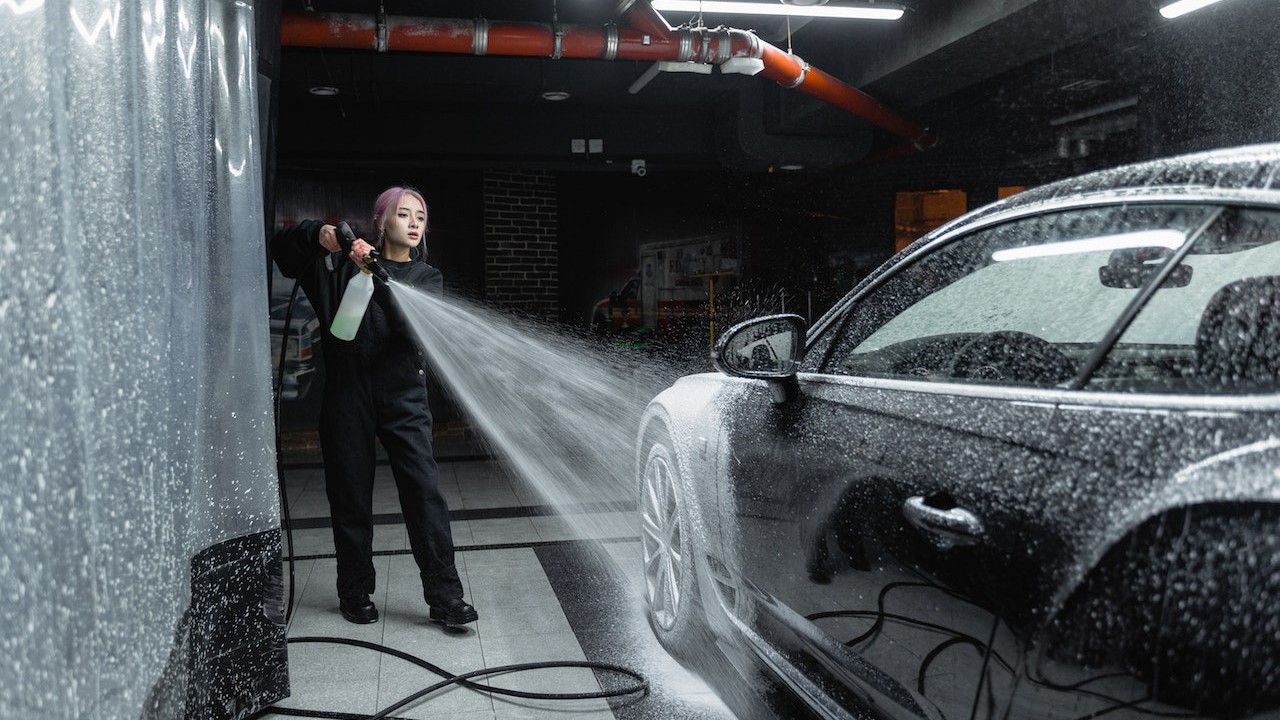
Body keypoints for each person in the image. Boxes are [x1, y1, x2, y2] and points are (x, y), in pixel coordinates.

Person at [272, 186, 478, 627]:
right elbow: (283, 252)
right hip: (347, 397)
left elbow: (412, 330)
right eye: (403, 214)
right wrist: (318, 234)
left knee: (424, 495)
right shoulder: (335, 271)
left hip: (403, 398)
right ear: (381, 221)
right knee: (349, 496)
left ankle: (445, 597)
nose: (414, 222)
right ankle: (355, 591)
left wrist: (377, 273)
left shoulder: (426, 279)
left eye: (420, 216)